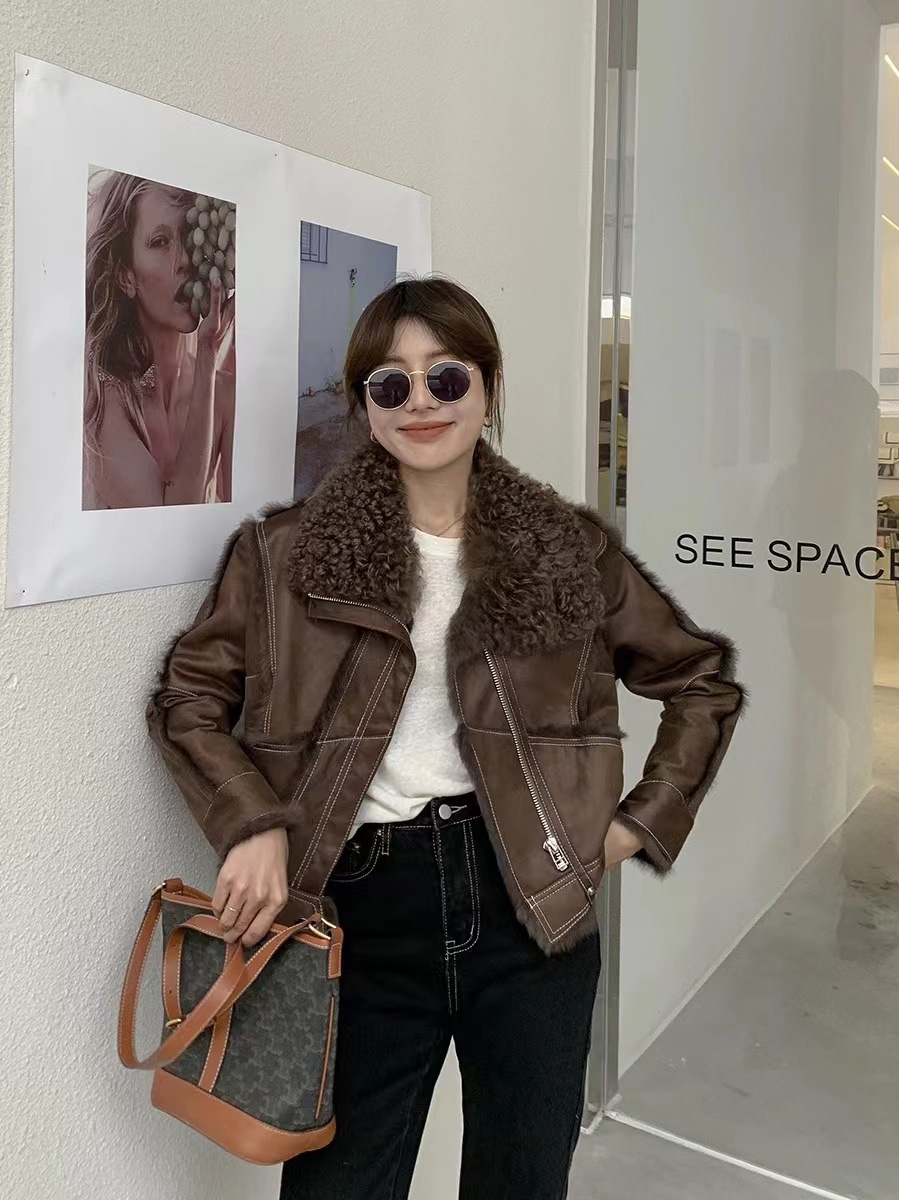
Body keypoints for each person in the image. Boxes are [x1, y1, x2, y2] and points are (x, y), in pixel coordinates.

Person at [147, 277, 745, 1199]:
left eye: (447, 376)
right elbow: (187, 696)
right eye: (390, 384)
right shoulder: (285, 555)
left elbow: (699, 680)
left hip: (531, 907)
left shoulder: (568, 550)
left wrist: (637, 824)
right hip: (357, 908)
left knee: (521, 1180)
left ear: (489, 388)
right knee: (340, 1186)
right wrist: (251, 822)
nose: (420, 402)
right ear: (363, 406)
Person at [83, 171, 234, 510]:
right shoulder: (105, 400)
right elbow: (172, 517)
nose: (185, 261)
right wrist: (208, 352)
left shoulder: (225, 393)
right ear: (126, 277)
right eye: (160, 242)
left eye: (188, 237)